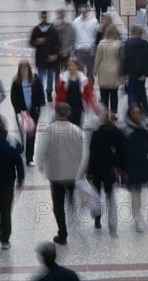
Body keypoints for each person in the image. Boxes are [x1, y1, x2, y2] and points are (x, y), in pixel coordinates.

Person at [36, 102, 84, 245]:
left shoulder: (50, 130)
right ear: (68, 113)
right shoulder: (76, 130)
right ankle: (73, 214)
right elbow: (82, 152)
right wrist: (79, 168)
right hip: (72, 173)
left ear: (56, 113)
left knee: (58, 205)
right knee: (71, 195)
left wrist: (41, 167)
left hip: (55, 175)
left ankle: (62, 234)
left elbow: (41, 151)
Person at [86, 108, 126, 235]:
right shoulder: (97, 134)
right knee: (97, 195)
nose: (111, 120)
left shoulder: (118, 133)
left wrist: (121, 169)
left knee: (110, 196)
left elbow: (121, 153)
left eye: (113, 118)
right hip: (99, 169)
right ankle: (97, 218)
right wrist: (89, 170)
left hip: (110, 170)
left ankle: (111, 224)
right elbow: (92, 152)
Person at [122, 104, 148, 233]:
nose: (137, 115)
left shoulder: (146, 128)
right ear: (130, 114)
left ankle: (138, 213)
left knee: (140, 190)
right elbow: (120, 150)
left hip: (143, 164)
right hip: (130, 166)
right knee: (135, 191)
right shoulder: (125, 130)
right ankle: (137, 218)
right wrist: (122, 170)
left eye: (139, 113)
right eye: (134, 113)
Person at [10, 60, 45, 166]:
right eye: (21, 68)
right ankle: (22, 147)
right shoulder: (16, 82)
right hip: (21, 112)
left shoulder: (35, 79)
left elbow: (40, 93)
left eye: (25, 68)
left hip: (33, 112)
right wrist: (18, 111)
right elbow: (13, 97)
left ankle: (29, 158)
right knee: (22, 132)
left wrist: (39, 106)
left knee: (31, 135)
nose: (23, 70)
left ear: (29, 69)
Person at [55, 58, 98, 127]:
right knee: (66, 127)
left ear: (77, 66)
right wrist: (56, 106)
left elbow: (89, 94)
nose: (70, 67)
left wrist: (95, 107)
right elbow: (59, 94)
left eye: (72, 65)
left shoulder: (84, 79)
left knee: (77, 127)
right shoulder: (62, 78)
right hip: (66, 108)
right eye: (69, 65)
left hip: (78, 108)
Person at [29, 11, 59, 102]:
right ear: (40, 18)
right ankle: (40, 93)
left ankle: (49, 93)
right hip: (40, 57)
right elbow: (31, 42)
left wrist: (55, 55)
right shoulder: (36, 29)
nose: (44, 19)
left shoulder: (53, 29)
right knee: (40, 77)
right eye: (43, 17)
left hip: (50, 57)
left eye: (45, 17)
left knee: (50, 77)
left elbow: (57, 43)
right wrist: (37, 42)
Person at [93, 24, 122, 116]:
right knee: (114, 94)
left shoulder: (102, 43)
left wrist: (95, 69)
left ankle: (105, 114)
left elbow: (98, 58)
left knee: (104, 94)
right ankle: (113, 114)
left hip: (103, 71)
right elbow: (121, 59)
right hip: (115, 71)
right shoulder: (118, 43)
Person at [123, 24, 148, 115]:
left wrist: (125, 73)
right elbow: (147, 59)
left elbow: (126, 59)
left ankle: (132, 112)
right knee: (142, 92)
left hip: (131, 73)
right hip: (142, 73)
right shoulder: (145, 44)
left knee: (131, 93)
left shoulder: (127, 44)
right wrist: (145, 74)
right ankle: (145, 110)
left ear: (132, 33)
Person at [72, 4, 99, 80]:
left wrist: (94, 49)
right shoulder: (76, 22)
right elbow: (73, 36)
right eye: (82, 11)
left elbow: (96, 36)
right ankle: (81, 89)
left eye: (85, 11)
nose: (83, 13)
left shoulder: (94, 21)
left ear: (88, 10)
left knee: (90, 72)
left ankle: (89, 90)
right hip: (79, 51)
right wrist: (74, 48)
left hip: (90, 51)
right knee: (79, 72)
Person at [54, 8, 76, 75]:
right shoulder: (54, 25)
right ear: (58, 15)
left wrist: (71, 47)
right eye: (61, 13)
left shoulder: (69, 25)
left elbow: (72, 37)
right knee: (57, 71)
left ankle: (65, 84)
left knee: (66, 71)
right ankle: (57, 84)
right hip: (57, 52)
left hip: (67, 51)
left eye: (63, 13)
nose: (62, 15)